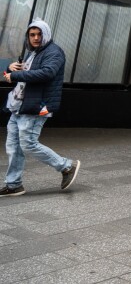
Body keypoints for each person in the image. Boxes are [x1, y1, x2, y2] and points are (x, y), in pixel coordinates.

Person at [1, 19, 80, 197]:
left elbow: (47, 73)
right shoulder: (34, 53)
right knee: (14, 147)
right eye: (32, 35)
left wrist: (15, 75)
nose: (36, 38)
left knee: (28, 144)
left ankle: (67, 166)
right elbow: (22, 74)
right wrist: (10, 68)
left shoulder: (54, 52)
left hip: (37, 106)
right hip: (20, 106)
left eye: (39, 34)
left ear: (46, 34)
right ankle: (14, 185)